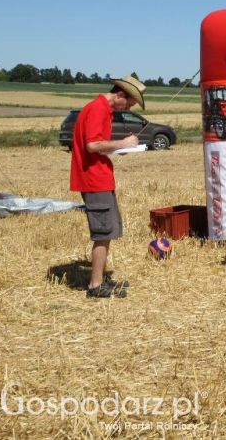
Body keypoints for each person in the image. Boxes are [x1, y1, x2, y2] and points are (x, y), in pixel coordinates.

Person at [70, 75, 146, 298]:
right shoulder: (98, 109)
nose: (129, 107)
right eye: (130, 103)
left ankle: (100, 280)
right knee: (102, 232)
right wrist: (123, 143)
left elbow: (99, 146)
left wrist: (116, 149)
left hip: (101, 178)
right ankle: (95, 286)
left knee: (108, 230)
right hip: (94, 180)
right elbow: (92, 145)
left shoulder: (103, 109)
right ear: (121, 95)